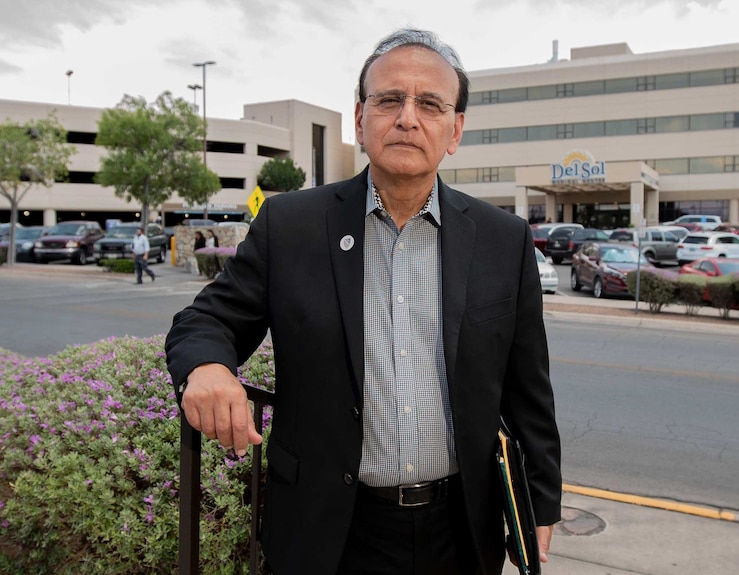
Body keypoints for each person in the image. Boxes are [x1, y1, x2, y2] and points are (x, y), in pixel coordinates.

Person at [165, 28, 561, 575]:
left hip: (462, 531)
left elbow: (528, 392)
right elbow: (208, 318)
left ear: (455, 130)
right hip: (329, 532)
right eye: (389, 99)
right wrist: (208, 366)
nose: (407, 117)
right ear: (359, 117)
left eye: (430, 104)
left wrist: (542, 502)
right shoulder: (293, 225)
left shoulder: (503, 238)